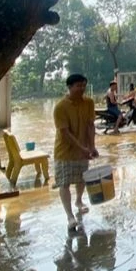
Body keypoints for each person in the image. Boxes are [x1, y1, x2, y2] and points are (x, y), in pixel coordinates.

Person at [53, 74, 98, 233]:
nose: (82, 88)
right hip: (64, 152)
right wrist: (82, 148)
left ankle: (79, 201)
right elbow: (65, 133)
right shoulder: (60, 107)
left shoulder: (89, 103)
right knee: (64, 183)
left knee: (81, 179)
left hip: (83, 150)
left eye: (83, 85)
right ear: (70, 87)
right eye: (78, 85)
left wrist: (91, 146)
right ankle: (69, 216)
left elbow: (90, 125)